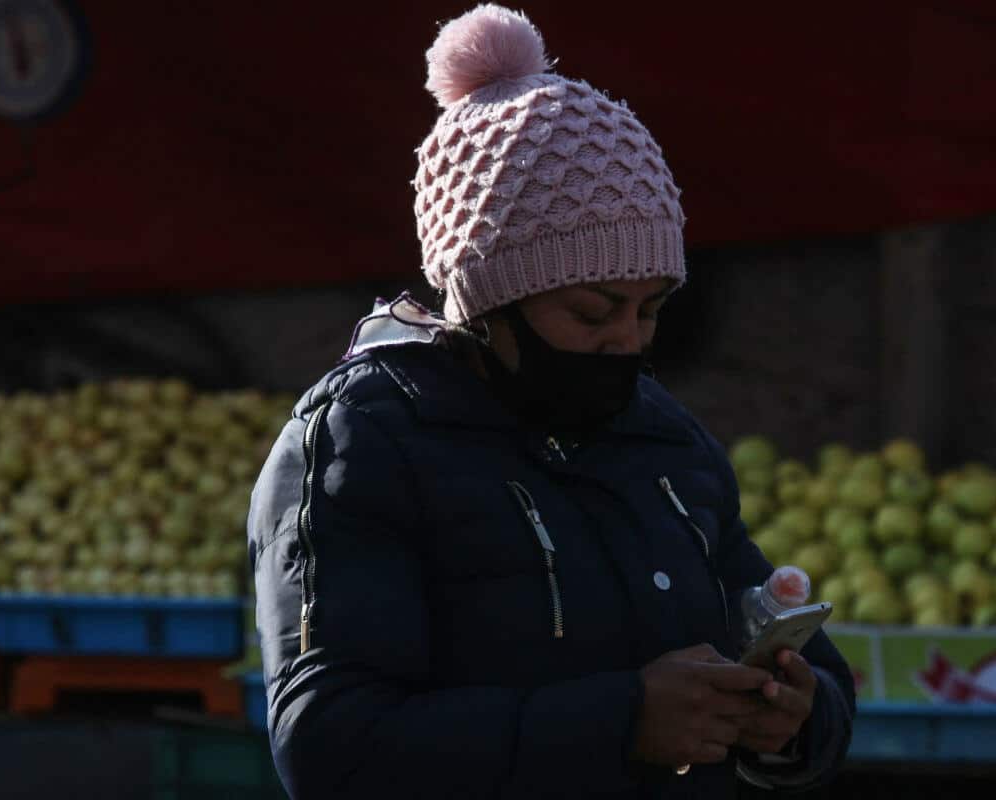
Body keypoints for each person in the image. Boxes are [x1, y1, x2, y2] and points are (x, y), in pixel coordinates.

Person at [248, 5, 855, 799]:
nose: (627, 344)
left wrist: (794, 718)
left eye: (650, 311)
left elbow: (819, 681)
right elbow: (330, 746)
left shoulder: (665, 441)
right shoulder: (363, 444)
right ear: (489, 303)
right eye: (594, 313)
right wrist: (622, 722)